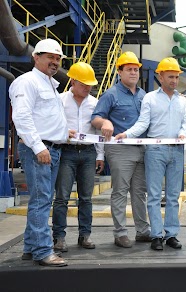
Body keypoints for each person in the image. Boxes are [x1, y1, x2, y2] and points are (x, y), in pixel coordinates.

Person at [115, 57, 186, 251]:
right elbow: (143, 123)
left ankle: (171, 234)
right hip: (155, 151)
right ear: (160, 76)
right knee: (155, 195)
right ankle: (157, 235)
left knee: (173, 195)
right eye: (170, 76)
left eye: (176, 77)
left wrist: (183, 132)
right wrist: (127, 134)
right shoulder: (150, 98)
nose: (174, 80)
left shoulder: (182, 100)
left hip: (176, 150)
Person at [9, 38, 73, 267]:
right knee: (41, 201)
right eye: (50, 57)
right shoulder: (27, 82)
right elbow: (22, 117)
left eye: (58, 58)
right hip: (40, 150)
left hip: (51, 148)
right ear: (36, 57)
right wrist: (39, 147)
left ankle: (30, 247)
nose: (55, 62)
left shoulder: (49, 84)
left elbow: (43, 117)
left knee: (42, 199)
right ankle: (43, 252)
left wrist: (64, 131)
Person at [91, 52, 151, 248]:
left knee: (139, 192)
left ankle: (142, 231)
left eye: (136, 69)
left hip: (141, 149)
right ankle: (120, 233)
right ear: (119, 72)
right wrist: (106, 121)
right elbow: (96, 118)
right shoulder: (111, 94)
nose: (133, 73)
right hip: (119, 150)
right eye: (129, 69)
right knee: (120, 192)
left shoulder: (144, 95)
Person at [52, 62, 105, 252]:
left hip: (89, 153)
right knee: (62, 197)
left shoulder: (95, 103)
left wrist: (100, 155)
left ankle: (85, 235)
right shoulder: (60, 100)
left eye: (90, 84)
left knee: (86, 198)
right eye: (84, 84)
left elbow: (98, 131)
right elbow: (52, 123)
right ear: (72, 81)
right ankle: (59, 237)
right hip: (66, 151)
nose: (88, 88)